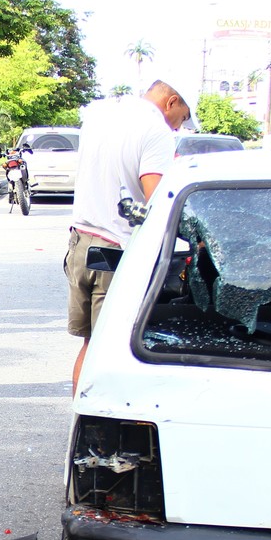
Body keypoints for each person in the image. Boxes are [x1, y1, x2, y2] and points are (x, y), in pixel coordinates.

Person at [67, 79, 193, 391]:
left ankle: (79, 425)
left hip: (81, 243)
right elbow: (157, 199)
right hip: (116, 251)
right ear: (172, 101)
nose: (179, 127)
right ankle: (102, 434)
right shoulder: (156, 131)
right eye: (184, 117)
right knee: (114, 354)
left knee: (90, 345)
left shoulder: (101, 116)